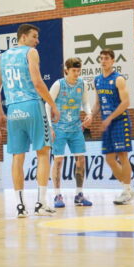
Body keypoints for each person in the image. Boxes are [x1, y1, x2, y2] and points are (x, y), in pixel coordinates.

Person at [0, 24, 60, 217]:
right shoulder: (30, 52)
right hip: (31, 105)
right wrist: (52, 105)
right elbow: (38, 82)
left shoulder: (2, 57)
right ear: (23, 37)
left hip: (13, 109)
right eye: (34, 36)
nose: (37, 41)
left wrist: (0, 113)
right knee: (43, 153)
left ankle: (20, 206)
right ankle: (40, 203)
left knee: (17, 157)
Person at [88, 49, 134, 205]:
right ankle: (128, 189)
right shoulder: (97, 80)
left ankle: (127, 191)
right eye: (101, 58)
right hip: (107, 122)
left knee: (122, 155)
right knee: (109, 158)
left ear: (113, 61)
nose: (103, 61)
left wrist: (110, 118)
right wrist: (90, 116)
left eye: (106, 58)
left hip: (120, 121)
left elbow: (126, 103)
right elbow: (98, 104)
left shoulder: (118, 79)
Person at [46, 58, 93, 208]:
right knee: (58, 161)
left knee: (81, 160)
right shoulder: (58, 84)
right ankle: (57, 195)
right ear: (66, 70)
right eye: (74, 71)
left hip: (76, 128)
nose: (76, 74)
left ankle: (79, 194)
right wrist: (50, 127)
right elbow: (47, 104)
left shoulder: (82, 84)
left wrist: (89, 114)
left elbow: (85, 103)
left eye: (78, 71)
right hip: (59, 128)